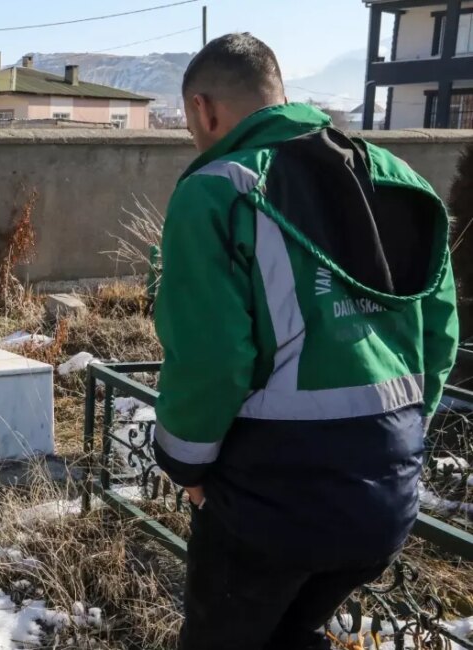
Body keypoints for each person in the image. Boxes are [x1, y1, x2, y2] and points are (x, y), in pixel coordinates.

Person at [151, 33, 459, 650]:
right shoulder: (400, 179)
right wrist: (396, 438)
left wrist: (184, 463)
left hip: (273, 498)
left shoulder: (218, 189)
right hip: (388, 494)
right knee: (290, 632)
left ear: (202, 110)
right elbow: (439, 329)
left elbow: (212, 357)